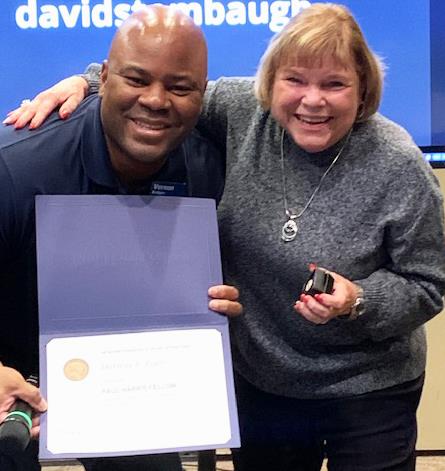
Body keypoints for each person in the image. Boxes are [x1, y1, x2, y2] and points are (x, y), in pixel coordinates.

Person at [5, 3, 445, 470]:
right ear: (270, 84)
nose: (312, 100)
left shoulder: (398, 163)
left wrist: (359, 300)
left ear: (364, 91)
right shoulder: (242, 113)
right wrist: (85, 82)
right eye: (295, 80)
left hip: (368, 391)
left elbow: (428, 281)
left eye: (334, 84)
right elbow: (159, 83)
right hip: (263, 385)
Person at [0, 5, 242, 471]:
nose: (156, 100)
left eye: (180, 88)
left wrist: (217, 299)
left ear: (202, 95)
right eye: (136, 79)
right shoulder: (16, 167)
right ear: (103, 78)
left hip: (117, 375)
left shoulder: (207, 168)